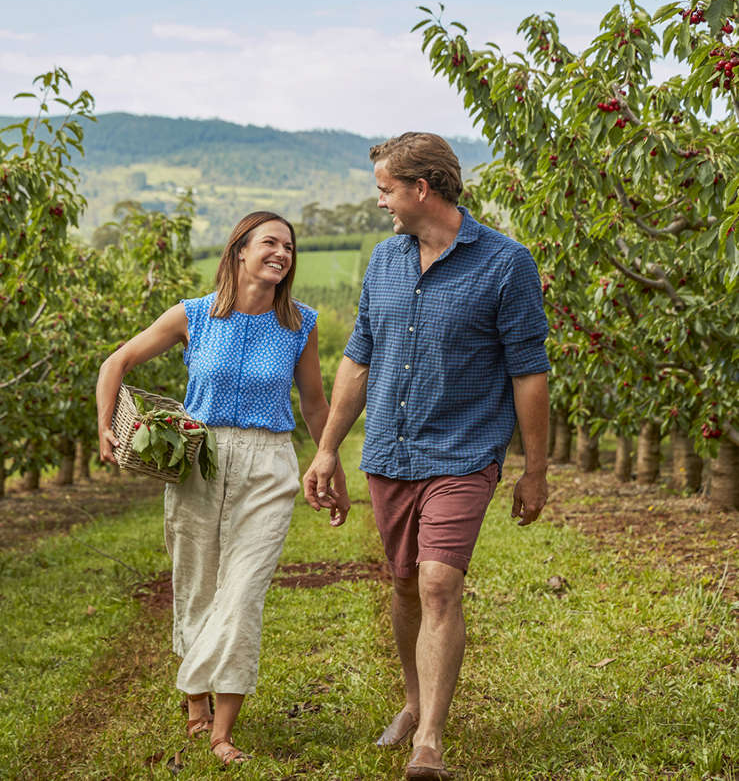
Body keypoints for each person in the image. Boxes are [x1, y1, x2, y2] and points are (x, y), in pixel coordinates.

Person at [303, 133, 550, 781]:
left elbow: (529, 372)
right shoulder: (383, 261)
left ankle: (430, 744)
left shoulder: (505, 263)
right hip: (389, 448)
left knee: (440, 583)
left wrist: (535, 470)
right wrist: (327, 448)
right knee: (406, 582)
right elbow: (358, 357)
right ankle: (413, 703)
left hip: (464, 450)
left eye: (384, 189)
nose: (379, 201)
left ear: (421, 188)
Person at [96, 211, 350, 767]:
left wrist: (332, 466)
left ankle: (221, 731)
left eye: (289, 246)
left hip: (268, 463)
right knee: (196, 583)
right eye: (270, 243)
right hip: (198, 459)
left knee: (242, 592)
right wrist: (105, 430)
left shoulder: (299, 324)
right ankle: (195, 706)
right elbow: (116, 363)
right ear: (239, 250)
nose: (282, 253)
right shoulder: (193, 315)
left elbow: (313, 404)